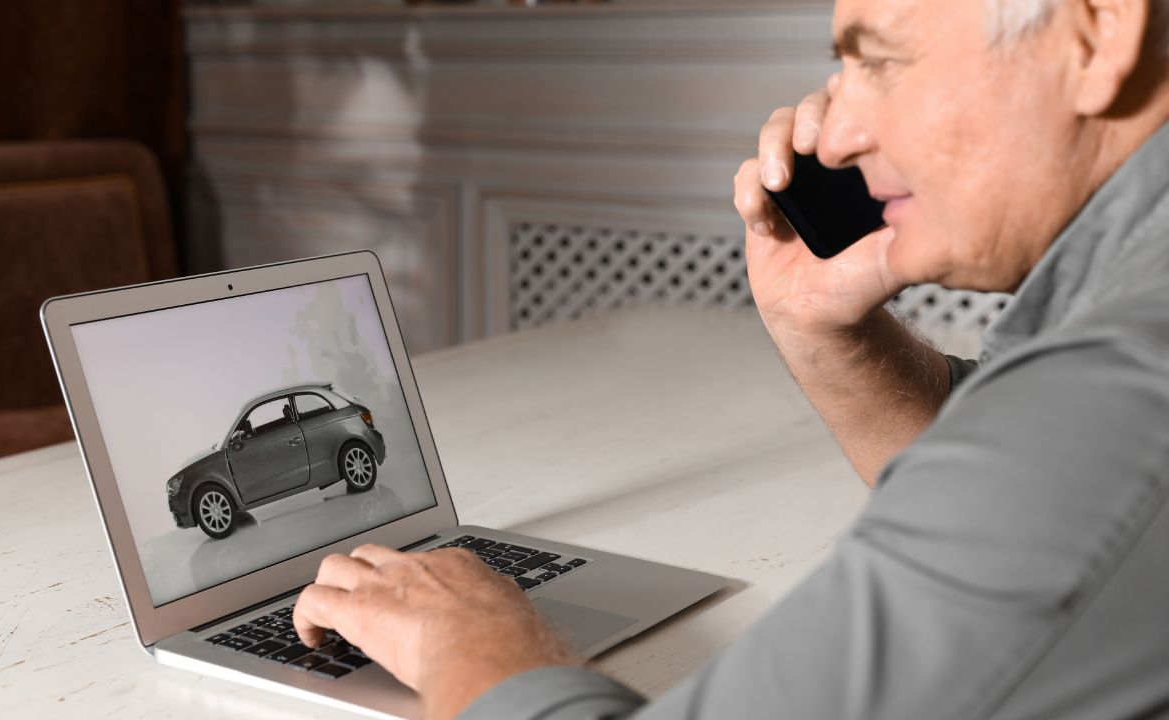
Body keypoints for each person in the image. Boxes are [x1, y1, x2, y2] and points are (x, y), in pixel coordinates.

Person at [293, 0, 1169, 717]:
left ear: (1097, 32)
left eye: (881, 61)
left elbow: (1059, 485)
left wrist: (473, 643)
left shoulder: (1121, 392)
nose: (836, 132)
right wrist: (829, 332)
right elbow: (1050, 546)